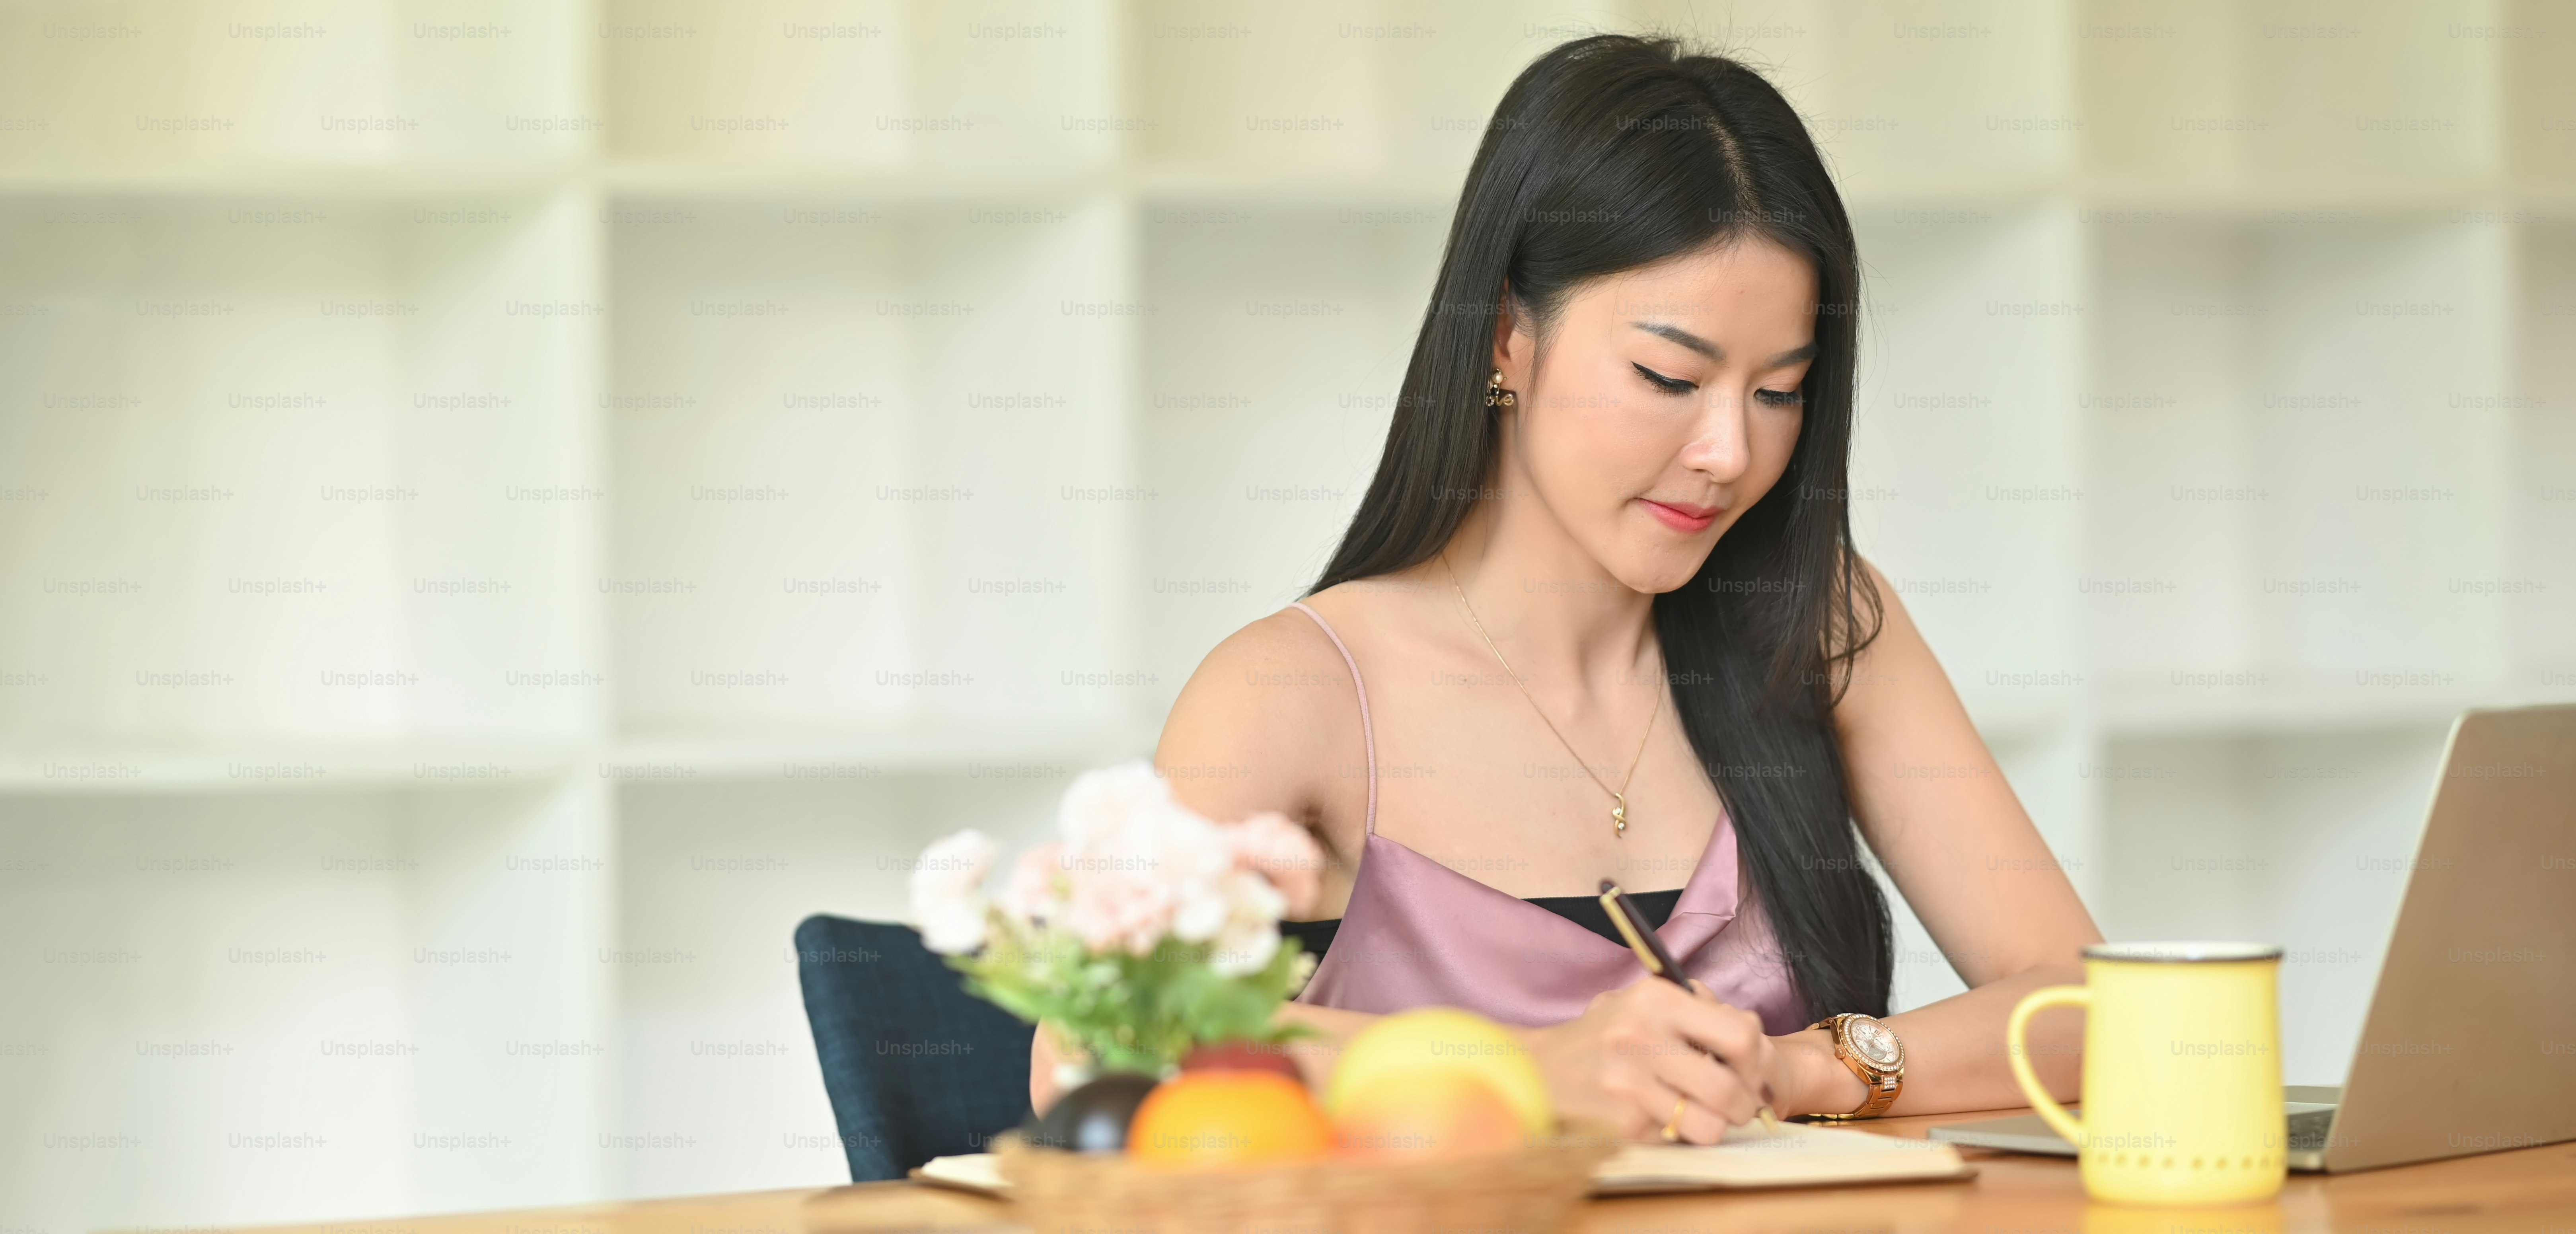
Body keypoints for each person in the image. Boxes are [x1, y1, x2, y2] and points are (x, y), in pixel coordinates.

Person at [1032, 33, 2099, 1143]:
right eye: (1668, 379)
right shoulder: (1294, 691)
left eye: (1780, 393)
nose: (1727, 450)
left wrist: (1806, 1071)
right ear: (1507, 337)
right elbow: (1094, 1047)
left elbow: (2088, 1005)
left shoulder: (1818, 622)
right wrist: (1531, 1071)